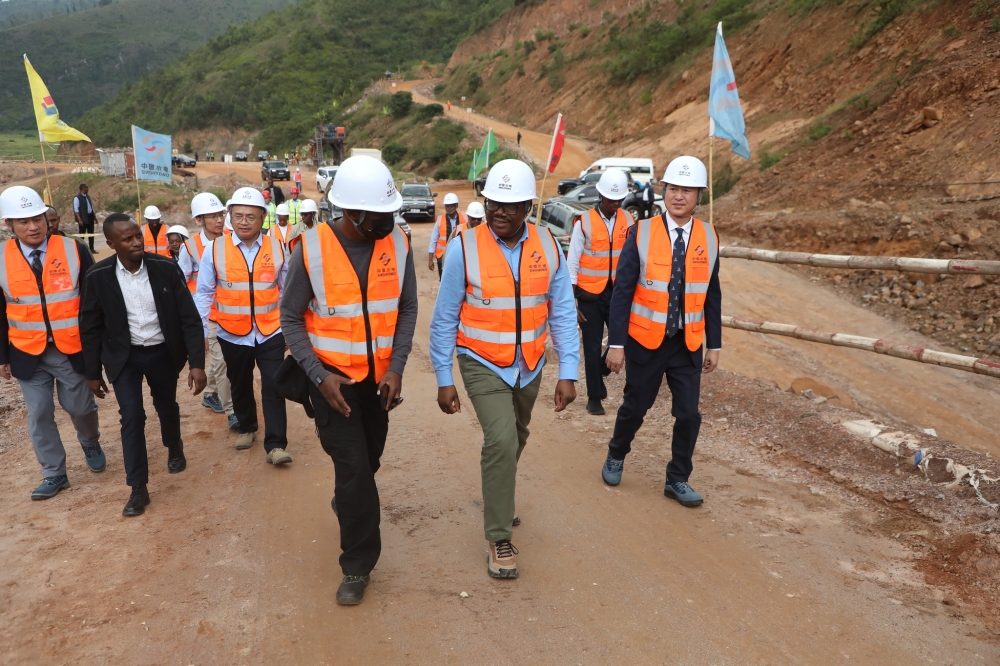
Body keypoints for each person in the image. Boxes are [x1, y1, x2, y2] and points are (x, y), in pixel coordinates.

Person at [430, 159, 579, 579]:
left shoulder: (548, 245)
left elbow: (562, 312)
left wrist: (568, 370)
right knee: (500, 439)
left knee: (516, 436)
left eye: (510, 206)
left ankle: (500, 493)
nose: (498, 212)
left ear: (528, 207)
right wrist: (444, 378)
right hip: (480, 361)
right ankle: (499, 537)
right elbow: (444, 318)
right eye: (493, 203)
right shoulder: (463, 248)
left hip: (529, 364)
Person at [281, 154, 416, 606]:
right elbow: (290, 317)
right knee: (355, 470)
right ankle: (357, 566)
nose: (387, 222)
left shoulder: (398, 243)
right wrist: (318, 376)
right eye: (379, 216)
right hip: (332, 387)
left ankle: (349, 501)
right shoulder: (310, 249)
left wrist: (397, 366)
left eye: (390, 213)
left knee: (368, 463)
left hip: (378, 385)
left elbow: (407, 308)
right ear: (352, 212)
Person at [601, 156, 721, 508]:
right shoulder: (641, 232)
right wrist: (616, 344)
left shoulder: (709, 236)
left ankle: (678, 479)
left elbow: (712, 293)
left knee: (688, 415)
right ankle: (616, 453)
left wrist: (714, 344)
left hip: (687, 343)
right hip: (645, 341)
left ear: (699, 196)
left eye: (687, 190)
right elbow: (622, 292)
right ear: (663, 191)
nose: (678, 196)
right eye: (673, 189)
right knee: (635, 407)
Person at [80, 214, 207, 516]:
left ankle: (173, 445)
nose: (137, 242)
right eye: (128, 239)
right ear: (111, 243)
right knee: (132, 416)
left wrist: (196, 363)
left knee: (166, 405)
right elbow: (90, 327)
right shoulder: (98, 276)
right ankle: (138, 487)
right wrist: (92, 372)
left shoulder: (165, 268)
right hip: (124, 358)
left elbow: (189, 318)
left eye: (138, 236)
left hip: (163, 353)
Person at [0, 185, 103, 500]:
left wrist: (98, 347)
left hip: (70, 349)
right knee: (39, 413)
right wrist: (2, 356)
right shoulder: (1, 258)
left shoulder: (73, 249)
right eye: (24, 221)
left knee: (80, 408)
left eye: (38, 219)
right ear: (9, 224)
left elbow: (94, 301)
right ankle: (54, 472)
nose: (33, 227)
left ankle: (90, 441)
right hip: (26, 352)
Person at [196, 187, 290, 462]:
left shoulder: (277, 247)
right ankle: (247, 427)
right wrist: (202, 330)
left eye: (251, 216)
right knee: (239, 383)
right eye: (238, 216)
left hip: (271, 330)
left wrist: (288, 327)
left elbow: (286, 290)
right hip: (232, 332)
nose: (244, 222)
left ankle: (276, 444)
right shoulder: (215, 249)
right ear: (230, 216)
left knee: (274, 384)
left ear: (263, 217)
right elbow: (204, 293)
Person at [566, 168, 634, 416]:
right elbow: (572, 264)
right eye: (611, 198)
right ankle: (594, 397)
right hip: (589, 296)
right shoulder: (583, 222)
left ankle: (601, 370)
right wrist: (572, 302)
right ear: (601, 195)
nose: (616, 203)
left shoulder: (629, 220)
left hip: (618, 293)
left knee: (623, 337)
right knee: (592, 346)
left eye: (619, 199)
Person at [178, 193, 238, 430]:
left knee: (222, 360)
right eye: (212, 216)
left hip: (233, 313)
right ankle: (233, 411)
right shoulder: (190, 247)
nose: (219, 220)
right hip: (208, 317)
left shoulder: (233, 240)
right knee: (222, 362)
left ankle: (210, 393)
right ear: (199, 220)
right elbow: (181, 284)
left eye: (221, 215)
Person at [427, 192, 466, 279]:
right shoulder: (440, 220)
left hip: (460, 255)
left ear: (456, 206)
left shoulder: (465, 218)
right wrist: (430, 260)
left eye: (451, 206)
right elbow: (433, 240)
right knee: (444, 279)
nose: (449, 208)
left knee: (459, 279)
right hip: (443, 256)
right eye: (447, 206)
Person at [73, 183, 97, 253]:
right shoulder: (77, 197)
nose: (88, 189)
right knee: (82, 235)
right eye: (87, 188)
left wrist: (95, 218)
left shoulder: (87, 196)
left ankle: (91, 249)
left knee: (91, 233)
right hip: (83, 218)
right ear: (83, 188)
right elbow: (76, 209)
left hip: (90, 217)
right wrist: (79, 220)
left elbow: (91, 207)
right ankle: (81, 250)